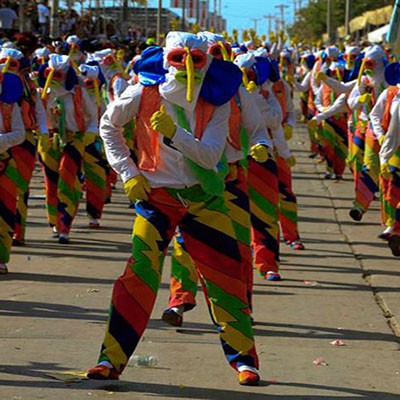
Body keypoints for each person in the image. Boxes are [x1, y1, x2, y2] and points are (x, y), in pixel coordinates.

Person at [86, 31, 260, 386]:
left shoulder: (219, 99)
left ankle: (245, 360)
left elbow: (210, 155)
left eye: (195, 60)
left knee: (226, 277)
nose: (186, 68)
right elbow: (108, 125)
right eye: (178, 58)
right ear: (166, 58)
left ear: (207, 62)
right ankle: (110, 358)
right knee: (138, 275)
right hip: (156, 197)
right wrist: (128, 172)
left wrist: (174, 134)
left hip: (204, 197)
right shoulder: (143, 92)